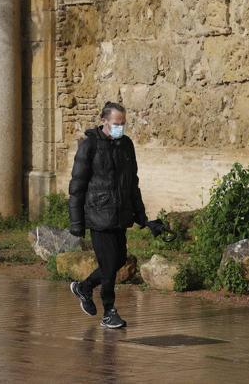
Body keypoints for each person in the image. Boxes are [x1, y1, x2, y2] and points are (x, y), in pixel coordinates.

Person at [68, 101, 165, 329]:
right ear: (104, 121)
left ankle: (84, 287)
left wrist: (143, 218)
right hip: (99, 215)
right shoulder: (89, 145)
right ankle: (109, 311)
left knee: (119, 259)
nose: (119, 127)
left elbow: (133, 184)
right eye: (115, 123)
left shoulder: (126, 145)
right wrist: (76, 223)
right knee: (110, 265)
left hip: (120, 215)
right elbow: (77, 186)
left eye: (123, 123)